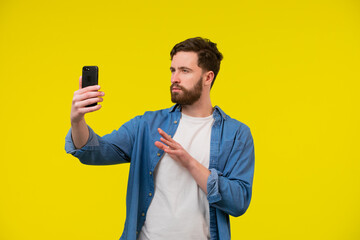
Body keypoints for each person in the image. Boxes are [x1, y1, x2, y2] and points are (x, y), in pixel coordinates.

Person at [65, 37, 255, 240]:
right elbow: (95, 152)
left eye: (185, 71)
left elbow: (238, 202)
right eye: (173, 70)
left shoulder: (236, 134)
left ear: (208, 77)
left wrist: (189, 163)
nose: (175, 78)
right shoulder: (147, 124)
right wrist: (77, 120)